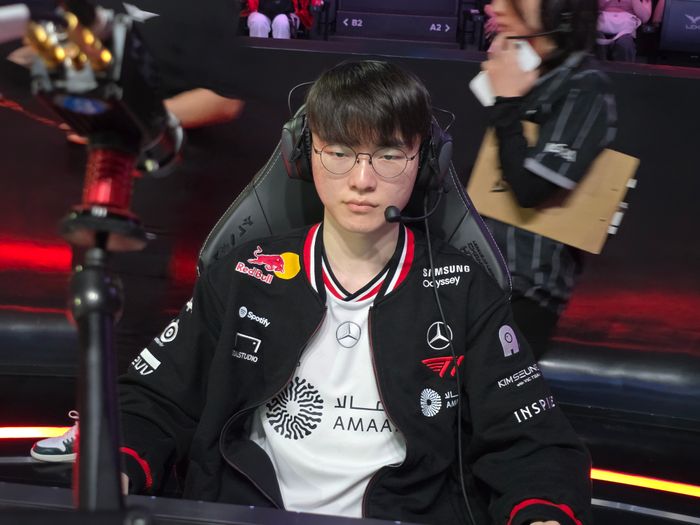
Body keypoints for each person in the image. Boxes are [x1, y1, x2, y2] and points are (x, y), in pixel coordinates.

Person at [117, 60, 591, 525]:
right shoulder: (244, 274)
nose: (362, 181)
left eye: (389, 156)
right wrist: (115, 467)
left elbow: (532, 442)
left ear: (426, 161)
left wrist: (543, 516)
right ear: (305, 153)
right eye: (340, 152)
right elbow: (155, 401)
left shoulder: (465, 290)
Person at [28, 0, 244, 463]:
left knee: (127, 313)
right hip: (96, 173)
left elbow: (223, 97)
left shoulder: (201, 11)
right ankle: (98, 426)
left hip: (155, 179)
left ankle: (115, 436)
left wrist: (127, 117)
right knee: (92, 302)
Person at [480, 0, 617, 358]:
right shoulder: (522, 70)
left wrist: (506, 102)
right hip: (478, 272)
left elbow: (530, 189)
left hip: (527, 287)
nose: (496, 7)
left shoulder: (585, 87)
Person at [245, 0, 315, 39]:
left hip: (289, 12)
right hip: (259, 11)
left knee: (282, 23)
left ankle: (280, 58)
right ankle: (258, 57)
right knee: (258, 22)